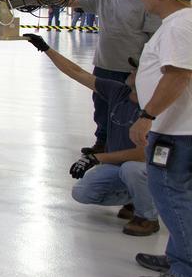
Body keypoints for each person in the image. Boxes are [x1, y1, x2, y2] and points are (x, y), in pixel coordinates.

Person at [23, 34, 158, 235]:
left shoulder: (154, 108)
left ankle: (148, 216)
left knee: (132, 169)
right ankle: (135, 198)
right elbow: (77, 72)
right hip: (117, 168)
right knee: (82, 192)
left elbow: (143, 154)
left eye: (137, 68)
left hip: (146, 170)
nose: (131, 70)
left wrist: (97, 157)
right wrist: (46, 49)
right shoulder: (118, 92)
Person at [128, 0, 192, 277]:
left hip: (177, 130)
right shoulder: (180, 23)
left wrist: (147, 116)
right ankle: (176, 257)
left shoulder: (180, 25)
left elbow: (177, 76)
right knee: (179, 196)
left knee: (171, 196)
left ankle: (186, 273)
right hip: (179, 128)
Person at [67, 0, 160, 156]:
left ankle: (127, 146)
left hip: (132, 69)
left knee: (129, 109)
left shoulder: (146, 2)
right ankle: (102, 142)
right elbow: (72, 2)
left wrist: (142, 67)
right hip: (104, 65)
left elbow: (153, 37)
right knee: (101, 106)